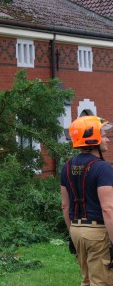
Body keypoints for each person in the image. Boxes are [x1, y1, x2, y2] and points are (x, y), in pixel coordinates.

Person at [61, 115, 113, 285]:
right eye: (104, 135)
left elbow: (65, 205)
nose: (108, 140)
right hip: (97, 232)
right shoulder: (102, 168)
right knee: (102, 282)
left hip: (76, 229)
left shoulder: (67, 166)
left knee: (87, 280)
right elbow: (108, 209)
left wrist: (73, 233)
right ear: (93, 139)